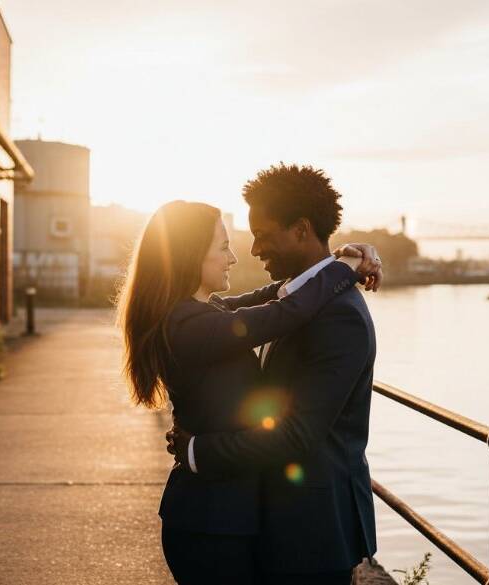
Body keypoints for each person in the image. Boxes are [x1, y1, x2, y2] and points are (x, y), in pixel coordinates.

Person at [116, 198, 382, 585]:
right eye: (223, 247)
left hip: (225, 518)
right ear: (191, 255)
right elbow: (283, 313)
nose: (238, 257)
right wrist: (342, 268)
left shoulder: (203, 313)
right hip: (209, 523)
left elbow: (275, 296)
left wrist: (341, 263)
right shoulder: (189, 325)